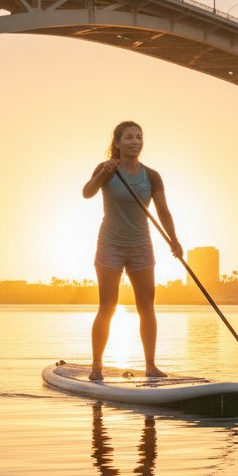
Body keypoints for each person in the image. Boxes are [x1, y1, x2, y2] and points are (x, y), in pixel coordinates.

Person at [83, 121, 183, 381]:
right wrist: (103, 173)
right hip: (110, 246)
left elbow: (163, 211)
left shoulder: (151, 176)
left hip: (141, 246)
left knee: (146, 306)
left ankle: (151, 366)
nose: (135, 141)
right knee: (107, 306)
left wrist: (174, 240)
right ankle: (96, 367)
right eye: (128, 137)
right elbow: (87, 192)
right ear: (117, 143)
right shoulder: (107, 169)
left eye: (139, 137)